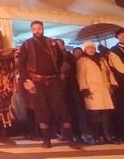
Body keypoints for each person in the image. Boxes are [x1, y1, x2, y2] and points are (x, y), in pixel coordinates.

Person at [17, 21, 81, 149]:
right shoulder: (27, 44)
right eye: (34, 29)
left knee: (61, 108)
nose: (37, 31)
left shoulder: (52, 43)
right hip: (37, 82)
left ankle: (69, 138)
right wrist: (27, 80)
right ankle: (46, 139)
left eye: (39, 28)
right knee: (42, 110)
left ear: (43, 29)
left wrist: (59, 72)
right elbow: (21, 64)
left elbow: (61, 59)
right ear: (31, 30)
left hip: (53, 80)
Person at [76, 41, 117, 144]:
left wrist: (113, 82)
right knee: (94, 114)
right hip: (92, 90)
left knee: (106, 113)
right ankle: (96, 135)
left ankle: (107, 135)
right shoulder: (82, 61)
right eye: (88, 48)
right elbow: (81, 76)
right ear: (85, 49)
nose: (91, 49)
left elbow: (109, 72)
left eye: (92, 47)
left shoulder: (101, 59)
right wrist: (84, 88)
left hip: (104, 89)